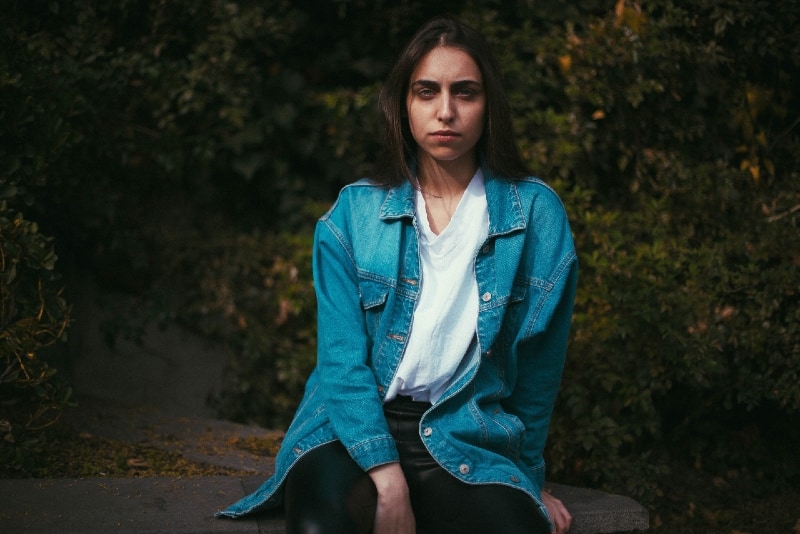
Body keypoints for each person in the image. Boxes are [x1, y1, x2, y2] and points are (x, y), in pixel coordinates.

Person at [217, 15, 577, 534]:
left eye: (466, 93)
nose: (445, 111)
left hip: (466, 433)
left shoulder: (536, 215)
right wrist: (388, 478)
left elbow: (539, 373)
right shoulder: (353, 216)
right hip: (351, 430)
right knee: (318, 528)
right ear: (403, 105)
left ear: (489, 104)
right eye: (426, 92)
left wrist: (524, 475)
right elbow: (341, 365)